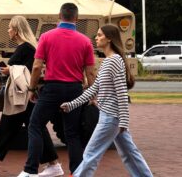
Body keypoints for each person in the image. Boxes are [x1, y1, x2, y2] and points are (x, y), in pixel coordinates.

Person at [0, 16, 63, 177]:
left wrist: (9, 70)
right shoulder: (29, 47)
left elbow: (26, 70)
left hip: (22, 96)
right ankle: (52, 164)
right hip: (25, 95)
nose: (8, 31)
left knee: (11, 126)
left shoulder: (25, 48)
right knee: (28, 128)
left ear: (16, 30)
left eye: (10, 28)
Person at [60, 24, 152, 177]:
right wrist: (71, 105)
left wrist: (124, 120)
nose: (96, 38)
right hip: (111, 117)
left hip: (110, 117)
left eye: (100, 35)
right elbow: (93, 89)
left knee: (91, 153)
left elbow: (121, 92)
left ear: (109, 39)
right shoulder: (108, 61)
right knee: (129, 153)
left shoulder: (114, 60)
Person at [18, 3, 96, 177]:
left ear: (59, 15)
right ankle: (77, 171)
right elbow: (90, 72)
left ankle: (30, 170)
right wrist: (93, 95)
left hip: (52, 88)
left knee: (36, 125)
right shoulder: (85, 41)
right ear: (76, 18)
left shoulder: (46, 37)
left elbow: (37, 66)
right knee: (72, 132)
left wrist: (31, 88)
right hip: (75, 89)